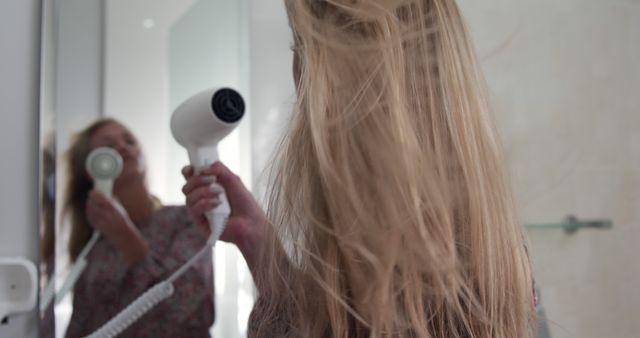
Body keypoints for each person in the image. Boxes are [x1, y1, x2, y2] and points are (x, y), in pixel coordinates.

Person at [183, 0, 536, 337]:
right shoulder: (499, 257)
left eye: (300, 48)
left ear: (331, 75)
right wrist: (256, 239)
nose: (297, 77)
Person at [64, 118, 214, 338]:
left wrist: (127, 237)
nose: (123, 147)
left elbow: (193, 310)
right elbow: (81, 325)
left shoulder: (186, 219)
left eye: (129, 141)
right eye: (109, 146)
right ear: (91, 168)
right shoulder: (93, 247)